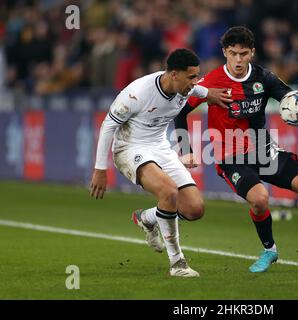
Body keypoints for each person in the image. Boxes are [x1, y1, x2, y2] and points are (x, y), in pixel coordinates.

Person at [175, 26, 298, 273]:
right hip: (230, 156)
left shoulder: (264, 78)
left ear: (252, 53)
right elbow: (180, 111)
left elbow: (297, 104)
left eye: (244, 54)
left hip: (263, 150)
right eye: (234, 53)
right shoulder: (211, 82)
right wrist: (186, 149)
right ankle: (270, 250)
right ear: (225, 52)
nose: (239, 59)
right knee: (260, 199)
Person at [90, 48, 232, 277]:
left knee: (195, 209)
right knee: (168, 192)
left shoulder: (185, 87)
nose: (194, 82)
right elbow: (108, 125)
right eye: (191, 76)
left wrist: (211, 95)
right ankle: (178, 263)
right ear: (174, 74)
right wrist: (100, 168)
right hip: (130, 148)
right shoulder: (137, 93)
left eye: (197, 76)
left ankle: (147, 217)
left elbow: (199, 89)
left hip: (160, 148)